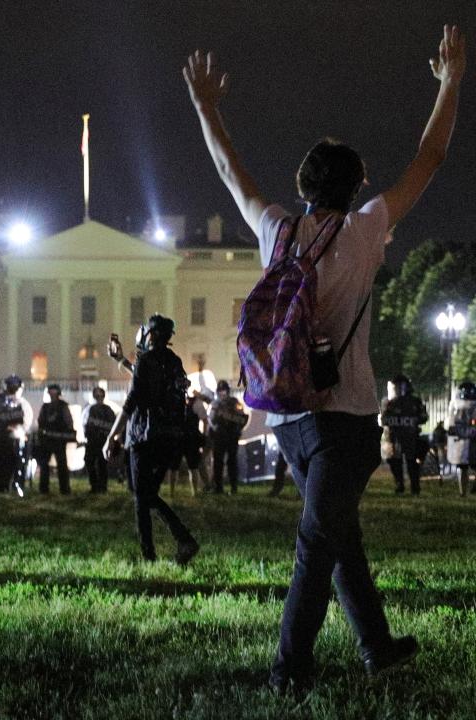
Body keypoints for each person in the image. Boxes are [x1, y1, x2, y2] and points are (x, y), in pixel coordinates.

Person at [183, 25, 465, 687]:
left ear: (303, 184)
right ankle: (290, 670)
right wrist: (451, 82)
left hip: (287, 414)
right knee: (319, 541)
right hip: (344, 418)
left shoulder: (276, 228)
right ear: (360, 182)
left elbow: (230, 169)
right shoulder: (366, 229)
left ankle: (377, 646)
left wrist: (206, 106)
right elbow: (429, 158)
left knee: (339, 536)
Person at [103, 314, 199, 565]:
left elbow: (133, 398)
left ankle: (154, 554)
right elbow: (148, 379)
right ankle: (182, 541)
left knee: (140, 496)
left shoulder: (146, 360)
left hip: (143, 437)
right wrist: (121, 360)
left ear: (151, 335)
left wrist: (112, 435)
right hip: (169, 439)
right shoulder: (174, 361)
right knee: (147, 495)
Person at [381, 374, 429, 495]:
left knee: (412, 462)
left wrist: (412, 420)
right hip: (395, 437)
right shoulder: (390, 403)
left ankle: (414, 487)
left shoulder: (415, 402)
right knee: (395, 462)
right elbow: (384, 419)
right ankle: (400, 485)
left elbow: (423, 417)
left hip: (410, 436)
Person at [0, 374, 33, 495]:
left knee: (17, 462)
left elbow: (26, 420)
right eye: (11, 386)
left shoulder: (22, 403)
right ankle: (2, 486)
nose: (14, 389)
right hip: (1, 437)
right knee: (4, 462)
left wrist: (20, 430)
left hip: (16, 437)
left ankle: (15, 485)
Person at [208, 380, 248, 494]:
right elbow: (211, 420)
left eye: (224, 391)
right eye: (220, 391)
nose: (222, 393)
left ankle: (233, 487)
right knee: (218, 462)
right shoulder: (215, 404)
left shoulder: (234, 402)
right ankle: (218, 487)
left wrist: (237, 429)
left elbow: (242, 418)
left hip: (231, 436)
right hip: (219, 436)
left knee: (232, 462)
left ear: (228, 391)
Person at [168, 390, 210, 497]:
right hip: (188, 438)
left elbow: (205, 420)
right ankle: (181, 492)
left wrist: (203, 435)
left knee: (190, 466)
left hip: (187, 439)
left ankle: (177, 492)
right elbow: (205, 420)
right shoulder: (193, 402)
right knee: (185, 466)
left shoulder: (176, 400)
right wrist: (203, 435)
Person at [35, 384, 75, 494]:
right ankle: (44, 488)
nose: (52, 395)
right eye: (51, 393)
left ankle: (65, 489)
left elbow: (69, 422)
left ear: (58, 394)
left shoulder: (63, 406)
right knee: (44, 465)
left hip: (59, 439)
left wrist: (67, 434)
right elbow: (40, 421)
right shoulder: (45, 407)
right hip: (47, 440)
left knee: (62, 465)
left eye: (54, 393)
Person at [81, 387, 117, 493]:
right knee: (90, 462)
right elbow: (85, 424)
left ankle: (102, 486)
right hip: (92, 441)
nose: (99, 397)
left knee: (102, 464)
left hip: (102, 441)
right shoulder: (90, 409)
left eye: (100, 395)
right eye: (97, 395)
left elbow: (113, 425)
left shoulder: (108, 410)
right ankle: (95, 486)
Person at [447, 381, 476, 497]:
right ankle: (463, 492)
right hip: (461, 441)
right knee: (462, 467)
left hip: (472, 440)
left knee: (468, 466)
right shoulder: (455, 406)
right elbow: (451, 425)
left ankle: (465, 491)